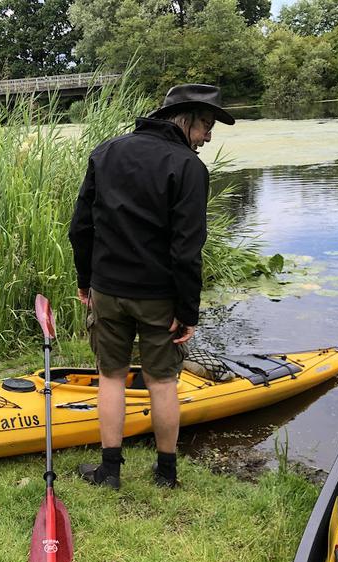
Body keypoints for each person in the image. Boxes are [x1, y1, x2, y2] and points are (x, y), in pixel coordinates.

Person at [68, 83, 235, 489]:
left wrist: (85, 281)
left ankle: (109, 471)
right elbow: (187, 249)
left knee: (111, 376)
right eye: (206, 126)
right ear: (186, 118)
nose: (209, 137)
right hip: (158, 296)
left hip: (108, 288)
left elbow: (81, 227)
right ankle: (165, 474)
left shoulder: (106, 152)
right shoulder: (189, 168)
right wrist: (188, 311)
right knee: (162, 382)